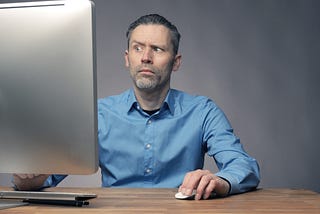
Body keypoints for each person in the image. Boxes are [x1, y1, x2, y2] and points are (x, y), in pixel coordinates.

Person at [13, 14, 260, 200]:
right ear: (127, 58)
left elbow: (244, 166)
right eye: (138, 48)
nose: (145, 57)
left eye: (158, 49)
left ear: (176, 62)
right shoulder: (98, 114)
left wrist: (219, 181)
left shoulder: (203, 111)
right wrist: (28, 177)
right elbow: (43, 177)